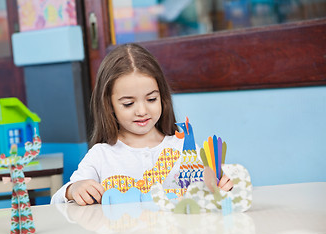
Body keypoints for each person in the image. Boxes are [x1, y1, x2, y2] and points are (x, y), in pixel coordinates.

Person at [51, 43, 233, 205]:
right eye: (128, 103)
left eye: (151, 99)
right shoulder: (101, 156)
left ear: (162, 97)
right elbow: (57, 200)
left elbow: (212, 190)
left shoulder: (185, 149)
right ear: (109, 105)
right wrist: (73, 189)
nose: (142, 111)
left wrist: (222, 185)